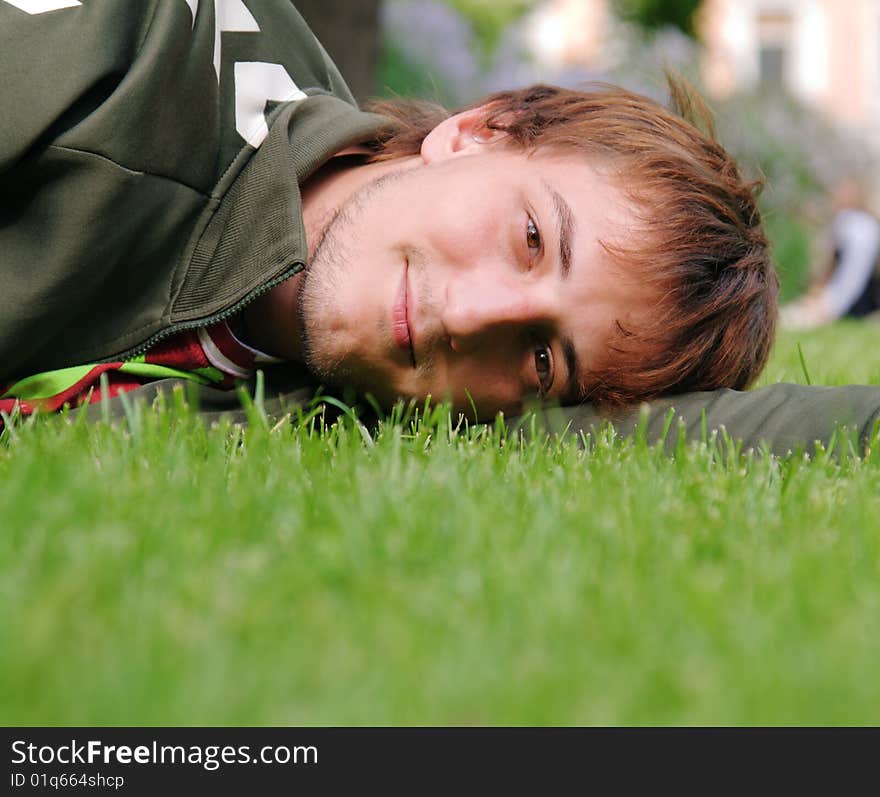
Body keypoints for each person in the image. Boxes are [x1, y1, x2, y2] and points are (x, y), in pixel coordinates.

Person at [5, 0, 879, 457]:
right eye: (532, 236)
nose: (473, 315)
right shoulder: (115, 64)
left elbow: (673, 432)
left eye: (543, 358)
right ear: (474, 131)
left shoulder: (359, 392)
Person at [781, 178, 880, 329]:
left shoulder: (852, 223)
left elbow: (847, 274)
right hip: (856, 302)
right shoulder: (861, 224)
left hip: (849, 303)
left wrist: (824, 301)